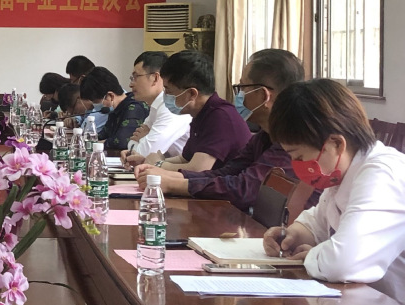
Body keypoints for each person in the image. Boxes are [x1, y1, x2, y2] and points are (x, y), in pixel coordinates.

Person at [263, 79, 405, 305]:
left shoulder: (382, 175)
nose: (297, 165)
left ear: (336, 144)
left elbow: (343, 262)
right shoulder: (344, 173)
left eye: (300, 157)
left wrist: (312, 256)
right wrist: (293, 235)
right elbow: (318, 222)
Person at [136, 49, 320, 213]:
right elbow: (226, 173)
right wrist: (167, 177)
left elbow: (244, 189)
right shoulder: (263, 137)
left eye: (242, 88)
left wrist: (173, 183)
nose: (238, 95)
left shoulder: (295, 141)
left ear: (264, 95)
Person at [130, 50, 251, 173]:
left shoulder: (220, 116)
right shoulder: (201, 114)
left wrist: (158, 164)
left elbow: (197, 169)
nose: (165, 95)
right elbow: (184, 159)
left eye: (169, 91)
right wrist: (145, 162)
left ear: (192, 93)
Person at [122, 51, 191, 164]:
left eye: (136, 77)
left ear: (155, 78)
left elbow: (145, 154)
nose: (131, 84)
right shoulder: (156, 106)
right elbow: (132, 146)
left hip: (185, 172)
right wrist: (145, 138)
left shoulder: (170, 107)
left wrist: (144, 138)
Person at [79, 66, 149, 150]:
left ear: (110, 96)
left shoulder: (134, 107)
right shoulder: (115, 110)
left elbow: (121, 142)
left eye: (96, 102)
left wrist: (94, 144)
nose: (94, 106)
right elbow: (102, 135)